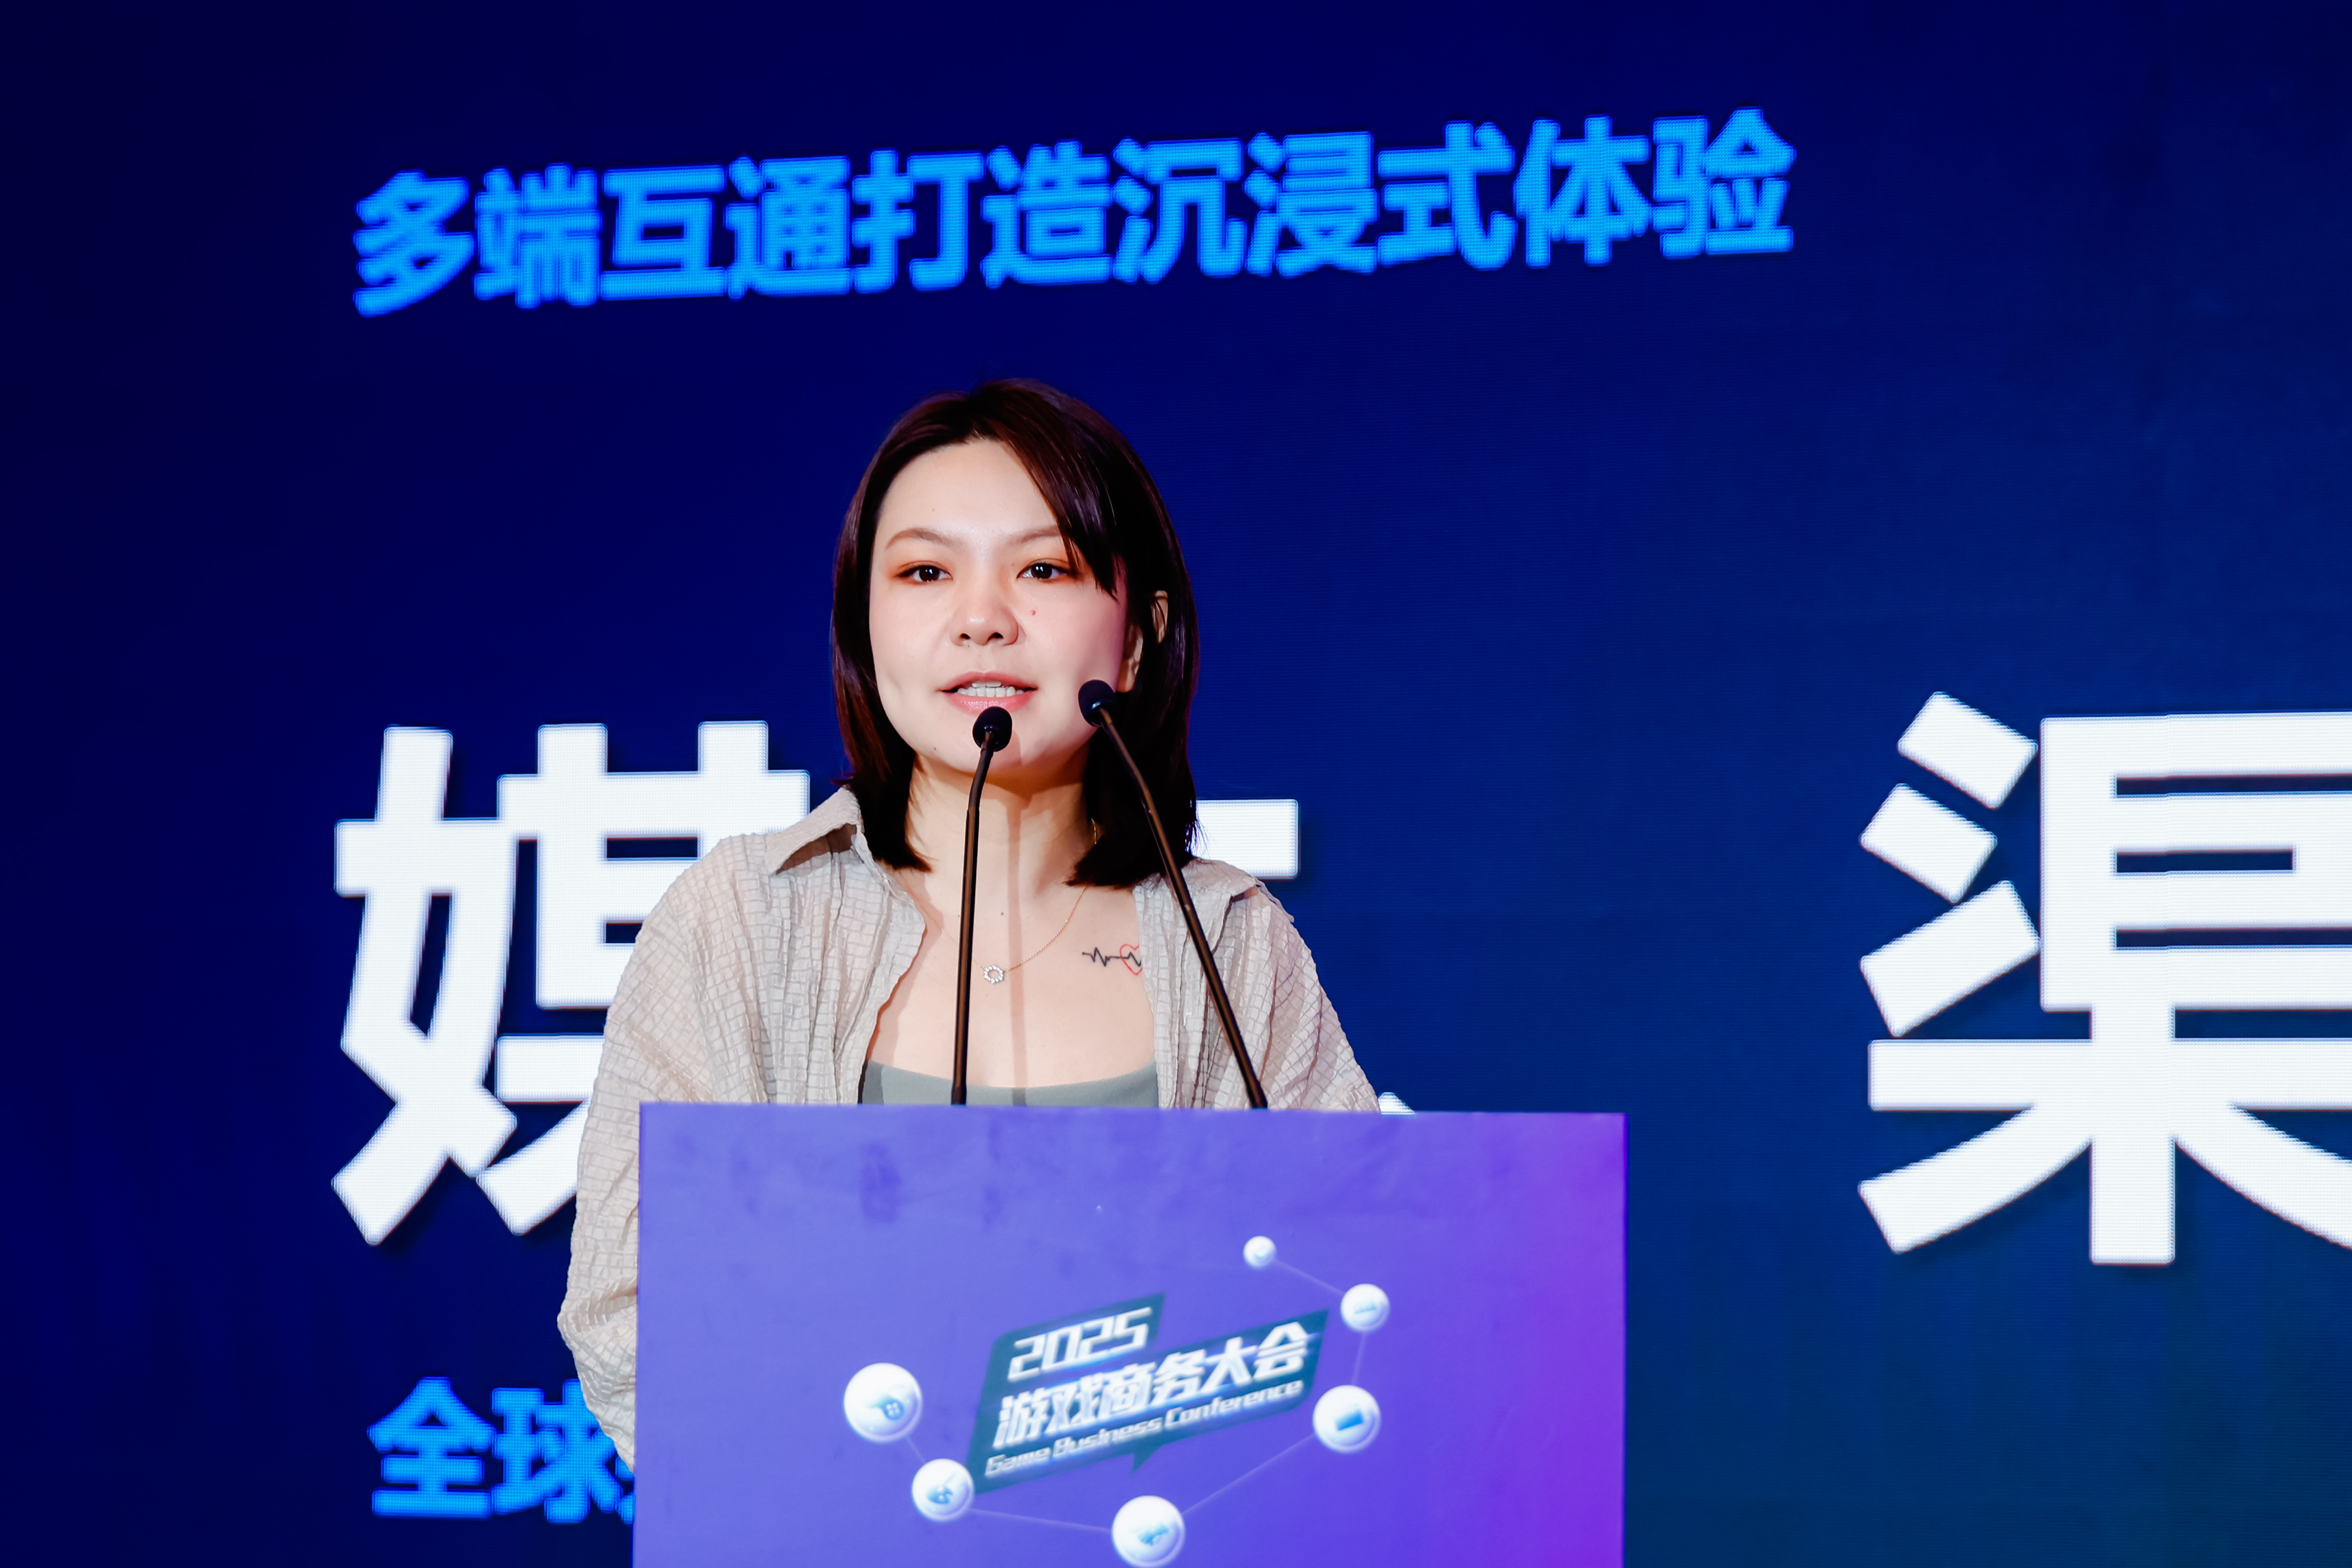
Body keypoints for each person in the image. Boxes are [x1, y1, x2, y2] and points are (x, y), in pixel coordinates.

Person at [558, 379, 1377, 1467]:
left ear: (1139, 639)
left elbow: (1351, 1282)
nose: (982, 616)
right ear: (865, 627)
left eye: (1044, 569)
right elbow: (631, 1312)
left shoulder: (1226, 939)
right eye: (925, 573)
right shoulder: (744, 921)